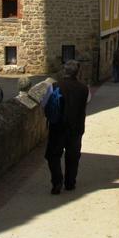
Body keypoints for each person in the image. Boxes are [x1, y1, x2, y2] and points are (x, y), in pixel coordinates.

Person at [44, 60, 90, 195]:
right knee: (73, 156)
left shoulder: (54, 86)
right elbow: (86, 103)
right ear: (77, 72)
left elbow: (45, 104)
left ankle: (57, 181)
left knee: (53, 155)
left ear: (64, 71)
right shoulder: (84, 89)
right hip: (76, 127)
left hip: (57, 127)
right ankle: (70, 183)